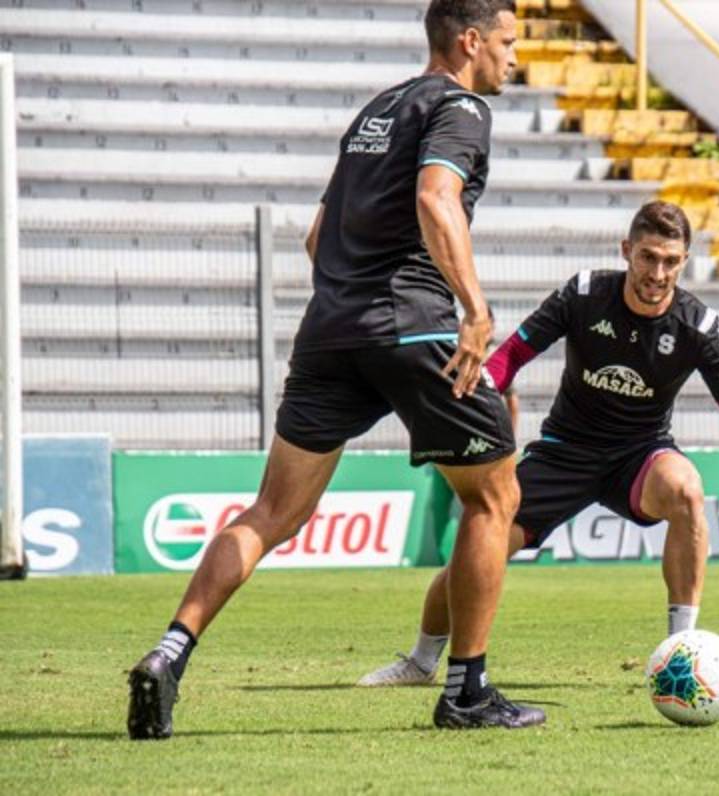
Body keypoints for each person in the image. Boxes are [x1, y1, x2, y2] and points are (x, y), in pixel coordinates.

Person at [126, 0, 545, 737]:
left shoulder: (375, 110)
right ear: (471, 41)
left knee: (270, 515)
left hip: (329, 331)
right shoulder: (462, 107)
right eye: (509, 42)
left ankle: (169, 653)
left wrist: (357, 301)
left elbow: (319, 237)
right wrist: (473, 309)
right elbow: (435, 197)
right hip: (414, 328)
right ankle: (467, 692)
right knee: (494, 499)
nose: (515, 57)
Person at [357, 201, 719, 688]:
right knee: (480, 547)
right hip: (563, 452)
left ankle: (681, 651)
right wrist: (473, 395)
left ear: (684, 261)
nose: (658, 272)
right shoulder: (584, 294)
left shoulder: (697, 327)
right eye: (648, 257)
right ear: (626, 252)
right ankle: (422, 662)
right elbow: (514, 354)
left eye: (670, 261)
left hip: (641, 455)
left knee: (686, 491)